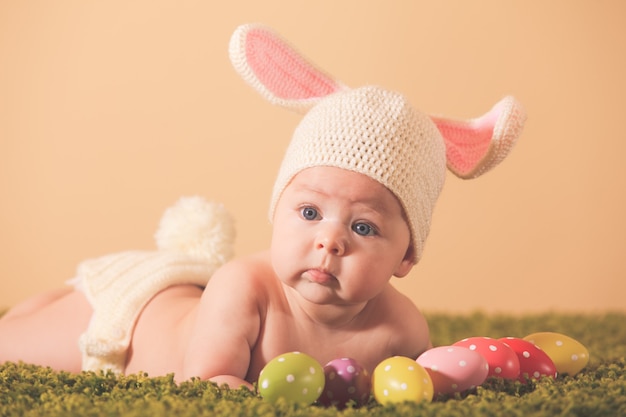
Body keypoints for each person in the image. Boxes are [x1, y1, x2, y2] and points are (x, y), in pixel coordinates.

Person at [0, 24, 525, 391]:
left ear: (406, 257)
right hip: (131, 320)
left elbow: (406, 386)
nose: (330, 241)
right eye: (310, 213)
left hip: (174, 302)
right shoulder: (245, 289)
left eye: (363, 226)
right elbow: (205, 383)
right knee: (17, 338)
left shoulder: (401, 331)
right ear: (277, 212)